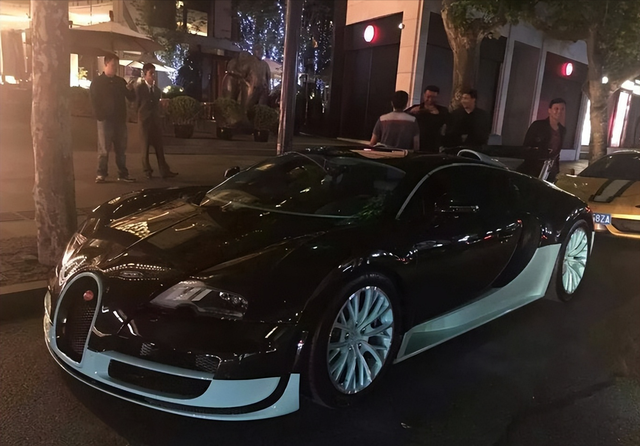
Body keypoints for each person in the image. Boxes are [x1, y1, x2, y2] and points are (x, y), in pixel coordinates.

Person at [90, 53, 137, 183]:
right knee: (104, 148)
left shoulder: (120, 82)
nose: (115, 68)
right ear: (106, 64)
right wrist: (99, 115)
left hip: (119, 119)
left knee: (121, 148)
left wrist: (130, 90)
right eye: (113, 65)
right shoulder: (98, 82)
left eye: (116, 65)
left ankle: (122, 173)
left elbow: (131, 98)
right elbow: (94, 99)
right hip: (105, 119)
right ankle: (101, 173)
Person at [135, 63, 177, 180]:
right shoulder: (140, 89)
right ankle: (147, 170)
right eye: (151, 73)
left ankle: (164, 170)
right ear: (145, 74)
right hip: (145, 121)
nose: (153, 76)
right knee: (145, 148)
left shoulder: (157, 90)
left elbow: (156, 105)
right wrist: (141, 116)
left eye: (154, 73)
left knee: (159, 147)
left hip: (155, 121)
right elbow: (136, 104)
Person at [523, 98, 567, 182]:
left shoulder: (562, 130)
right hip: (534, 168)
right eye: (556, 109)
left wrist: (557, 170)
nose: (559, 112)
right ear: (549, 110)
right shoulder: (538, 125)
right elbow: (526, 147)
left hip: (551, 169)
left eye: (562, 109)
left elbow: (557, 152)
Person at [405, 85, 450, 153]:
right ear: (424, 95)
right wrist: (411, 112)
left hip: (434, 145)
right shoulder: (416, 109)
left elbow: (448, 125)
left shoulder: (443, 111)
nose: (430, 100)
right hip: (419, 144)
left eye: (433, 97)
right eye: (428, 96)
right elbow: (404, 117)